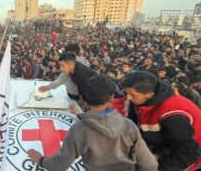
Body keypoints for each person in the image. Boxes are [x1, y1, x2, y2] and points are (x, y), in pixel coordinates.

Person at [27, 75, 158, 171]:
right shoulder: (129, 126)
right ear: (111, 97)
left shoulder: (79, 130)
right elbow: (150, 165)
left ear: (87, 97)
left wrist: (41, 160)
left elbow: (59, 165)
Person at [122, 71, 201, 170]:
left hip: (186, 154)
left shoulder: (172, 115)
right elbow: (133, 126)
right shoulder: (139, 100)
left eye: (132, 94)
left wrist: (158, 167)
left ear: (150, 95)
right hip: (163, 144)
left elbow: (190, 153)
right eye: (126, 93)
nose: (128, 97)